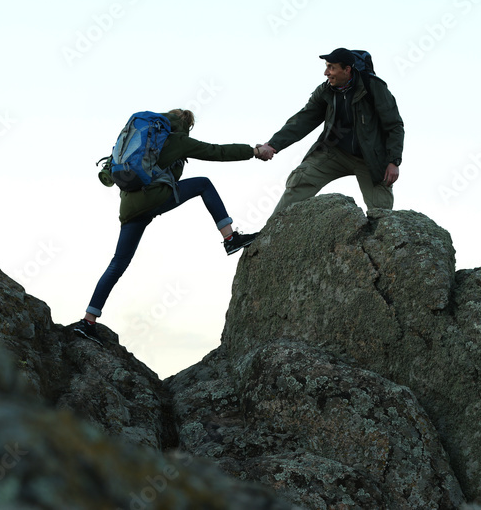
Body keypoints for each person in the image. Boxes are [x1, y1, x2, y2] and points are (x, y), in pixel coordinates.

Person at [74, 108, 268, 345]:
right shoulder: (175, 139)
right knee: (203, 184)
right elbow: (216, 151)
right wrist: (254, 151)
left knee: (117, 263)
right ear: (186, 125)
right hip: (152, 198)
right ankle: (230, 239)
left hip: (129, 208)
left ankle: (87, 321)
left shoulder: (142, 135)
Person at [257, 47, 404, 215]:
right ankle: (272, 235)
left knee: (381, 210)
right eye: (326, 66)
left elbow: (394, 126)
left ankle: (378, 239)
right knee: (301, 179)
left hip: (370, 159)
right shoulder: (325, 90)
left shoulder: (374, 87)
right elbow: (303, 120)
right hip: (334, 152)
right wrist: (273, 144)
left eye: (331, 67)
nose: (326, 72)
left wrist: (393, 161)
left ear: (347, 70)